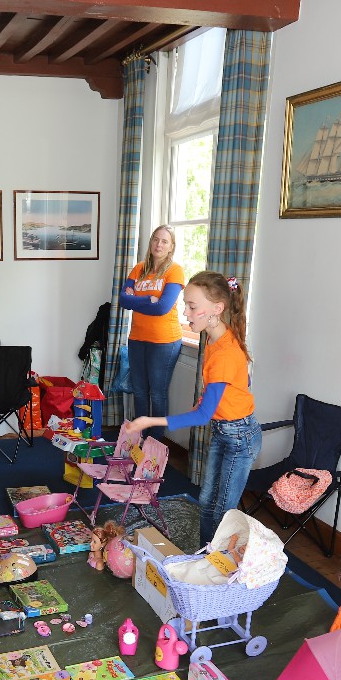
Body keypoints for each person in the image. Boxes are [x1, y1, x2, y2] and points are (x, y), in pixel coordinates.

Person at [124, 271, 259, 545]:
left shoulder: (225, 352)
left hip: (239, 437)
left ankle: (217, 559)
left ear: (217, 309)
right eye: (185, 304)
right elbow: (239, 383)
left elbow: (202, 415)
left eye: (192, 306)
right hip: (223, 431)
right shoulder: (213, 338)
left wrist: (150, 421)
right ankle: (205, 553)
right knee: (207, 501)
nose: (185, 312)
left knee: (223, 510)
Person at [117, 226, 184, 436]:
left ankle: (155, 442)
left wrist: (136, 300)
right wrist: (149, 300)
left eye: (164, 241)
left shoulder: (175, 271)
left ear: (171, 247)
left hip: (164, 342)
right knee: (139, 391)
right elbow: (123, 300)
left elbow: (163, 308)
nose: (158, 245)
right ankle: (139, 438)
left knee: (157, 394)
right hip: (137, 338)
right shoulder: (139, 269)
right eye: (155, 239)